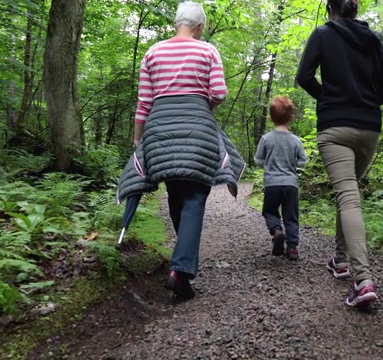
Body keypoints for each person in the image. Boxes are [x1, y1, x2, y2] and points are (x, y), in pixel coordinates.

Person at [130, 1, 244, 300]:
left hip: (158, 130)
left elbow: (144, 102)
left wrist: (138, 141)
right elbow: (218, 92)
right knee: (195, 196)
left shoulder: (152, 52)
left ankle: (181, 265)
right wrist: (201, 105)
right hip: (198, 128)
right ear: (200, 26)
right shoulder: (207, 51)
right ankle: (180, 269)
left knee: (176, 193)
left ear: (175, 24)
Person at [295, 0, 383, 307]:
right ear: (356, 7)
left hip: (335, 126)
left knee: (348, 196)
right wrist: (365, 100)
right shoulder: (375, 40)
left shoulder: (323, 34)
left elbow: (304, 77)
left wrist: (330, 97)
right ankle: (339, 260)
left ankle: (363, 280)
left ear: (330, 7)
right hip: (369, 129)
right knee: (348, 192)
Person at [254, 96, 308, 260]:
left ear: (271, 118)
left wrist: (268, 165)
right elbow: (303, 161)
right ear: (291, 118)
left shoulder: (266, 138)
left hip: (272, 184)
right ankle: (292, 248)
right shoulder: (295, 140)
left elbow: (258, 160)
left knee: (270, 211)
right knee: (291, 216)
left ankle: (277, 231)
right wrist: (294, 169)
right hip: (291, 184)